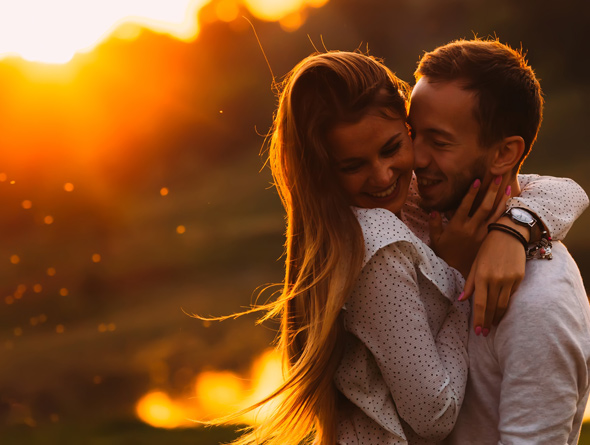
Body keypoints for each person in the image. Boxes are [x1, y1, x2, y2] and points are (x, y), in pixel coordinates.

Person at [214, 49, 586, 445]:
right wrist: (459, 274)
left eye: (399, 145)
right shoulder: (375, 236)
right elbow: (434, 416)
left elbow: (566, 189)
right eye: (352, 165)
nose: (394, 170)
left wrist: (515, 227)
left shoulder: (411, 199)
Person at [405, 38, 590, 444]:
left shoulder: (540, 304)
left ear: (504, 153)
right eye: (411, 134)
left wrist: (513, 226)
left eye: (438, 141)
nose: (414, 159)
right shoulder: (416, 211)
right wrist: (515, 224)